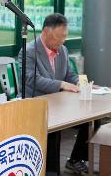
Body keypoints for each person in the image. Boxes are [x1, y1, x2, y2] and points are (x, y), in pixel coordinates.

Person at [18, 13, 94, 175]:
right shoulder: (29, 51)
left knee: (92, 120)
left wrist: (81, 82)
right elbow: (31, 79)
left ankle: (75, 160)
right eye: (59, 37)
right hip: (37, 104)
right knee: (53, 130)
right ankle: (51, 171)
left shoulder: (63, 50)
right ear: (45, 32)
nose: (62, 41)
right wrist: (61, 84)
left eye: (65, 37)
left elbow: (70, 74)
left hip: (60, 104)